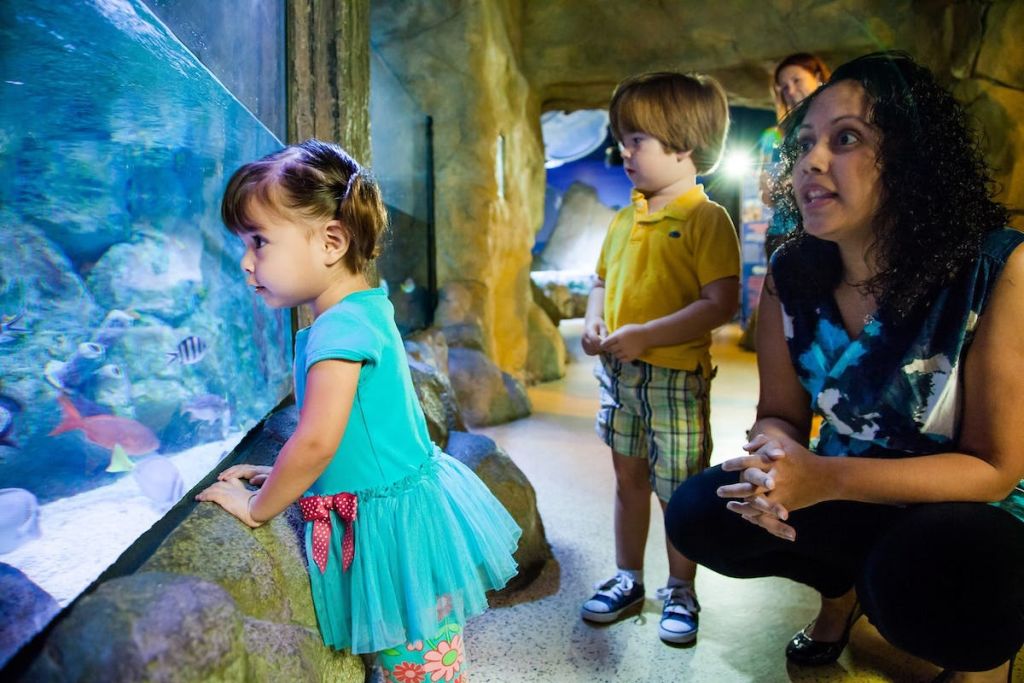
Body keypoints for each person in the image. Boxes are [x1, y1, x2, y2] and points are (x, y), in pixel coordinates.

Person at [665, 51, 1024, 681]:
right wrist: (771, 466)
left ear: (913, 159)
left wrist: (824, 478)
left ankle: (971, 662)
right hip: (836, 479)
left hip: (962, 501)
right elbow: (778, 414)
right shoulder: (789, 275)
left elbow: (994, 468)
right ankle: (839, 598)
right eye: (803, 144)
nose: (812, 162)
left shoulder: (995, 270)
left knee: (952, 581)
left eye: (847, 139)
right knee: (700, 511)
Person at [196, 139, 521, 681]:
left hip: (392, 532)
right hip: (400, 514)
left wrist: (257, 509)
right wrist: (279, 475)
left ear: (330, 241)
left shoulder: (338, 330)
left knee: (418, 667)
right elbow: (340, 435)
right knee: (418, 659)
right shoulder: (361, 307)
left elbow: (319, 441)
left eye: (258, 242)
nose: (246, 263)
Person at [579, 71, 740, 645]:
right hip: (620, 375)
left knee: (679, 488)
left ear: (684, 144)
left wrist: (648, 334)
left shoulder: (706, 219)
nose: (623, 150)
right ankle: (628, 578)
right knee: (628, 480)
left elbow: (720, 302)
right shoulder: (625, 218)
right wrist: (596, 318)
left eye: (637, 139)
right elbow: (600, 281)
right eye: (623, 137)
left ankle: (680, 586)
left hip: (675, 380)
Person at [740, 53, 830, 352]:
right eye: (782, 86)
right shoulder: (773, 135)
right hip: (782, 232)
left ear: (819, 77)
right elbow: (766, 194)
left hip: (823, 232)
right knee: (786, 319)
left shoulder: (835, 127)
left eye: (796, 81)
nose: (790, 90)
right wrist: (776, 186)